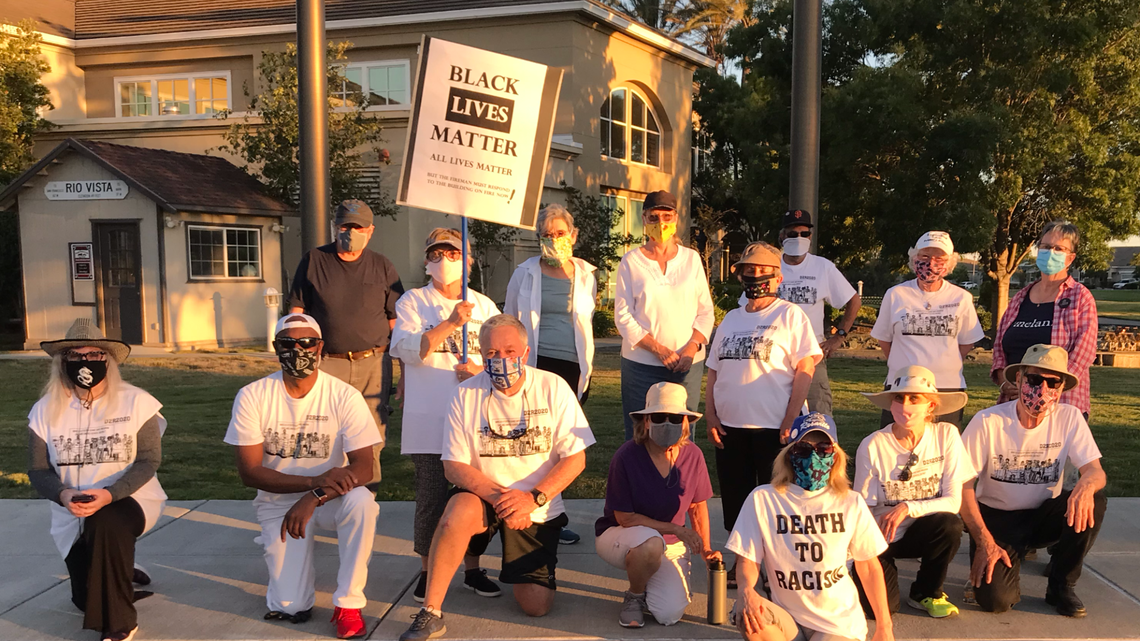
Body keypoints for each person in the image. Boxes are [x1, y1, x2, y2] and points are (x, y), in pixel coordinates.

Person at [399, 315, 596, 641]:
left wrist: (532, 498)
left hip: (536, 503)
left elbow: (575, 458)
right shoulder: (464, 394)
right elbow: (454, 466)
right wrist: (504, 501)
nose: (501, 360)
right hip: (486, 496)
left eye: (510, 351)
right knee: (456, 514)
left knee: (536, 605)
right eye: (491, 353)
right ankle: (431, 611)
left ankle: (522, 567)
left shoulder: (553, 386)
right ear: (481, 353)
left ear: (526, 351)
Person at [223, 314, 381, 639]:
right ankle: (285, 570)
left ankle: (349, 604)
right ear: (275, 347)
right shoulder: (253, 395)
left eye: (307, 342)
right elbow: (249, 472)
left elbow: (365, 468)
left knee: (362, 502)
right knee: (290, 605)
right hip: (279, 499)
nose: (299, 350)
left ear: (320, 347)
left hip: (329, 498)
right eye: (288, 343)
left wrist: (314, 496)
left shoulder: (343, 395)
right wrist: (311, 484)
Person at [27, 318, 167, 641]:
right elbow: (37, 470)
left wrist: (110, 493)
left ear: (107, 360)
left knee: (106, 523)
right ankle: (119, 567)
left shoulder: (136, 402)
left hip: (130, 500)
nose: (85, 362)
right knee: (83, 599)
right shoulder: (44, 411)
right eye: (76, 356)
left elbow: (149, 460)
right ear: (64, 363)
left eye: (93, 355)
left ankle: (120, 625)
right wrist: (63, 495)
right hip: (71, 510)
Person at [390, 228, 502, 602]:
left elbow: (505, 353)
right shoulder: (413, 301)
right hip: (430, 415)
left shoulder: (484, 306)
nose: (445, 261)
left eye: (453, 254)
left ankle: (472, 567)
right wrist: (451, 323)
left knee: (473, 496)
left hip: (474, 418)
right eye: (437, 253)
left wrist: (482, 371)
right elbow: (407, 350)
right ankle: (427, 569)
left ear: (467, 260)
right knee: (432, 495)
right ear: (426, 260)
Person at [960, 344, 1107, 617]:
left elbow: (1096, 471)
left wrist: (1086, 485)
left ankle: (1062, 585)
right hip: (998, 518)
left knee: (1094, 500)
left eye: (1053, 382)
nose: (1043, 389)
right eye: (1034, 379)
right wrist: (983, 541)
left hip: (1043, 514)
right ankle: (998, 569)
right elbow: (962, 484)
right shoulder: (987, 421)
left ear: (1062, 387)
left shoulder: (1070, 418)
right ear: (1018, 379)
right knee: (996, 602)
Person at [707, 241, 822, 588]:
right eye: (749, 270)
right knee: (737, 497)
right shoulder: (730, 318)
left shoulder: (790, 315)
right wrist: (711, 414)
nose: (755, 276)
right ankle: (742, 559)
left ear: (777, 276)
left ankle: (776, 565)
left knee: (778, 497)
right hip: (730, 426)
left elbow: (805, 368)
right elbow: (714, 369)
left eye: (763, 271)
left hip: (774, 426)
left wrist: (790, 418)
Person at [727, 413, 894, 641]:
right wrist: (746, 590)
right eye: (804, 449)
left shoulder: (850, 501)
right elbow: (748, 559)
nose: (814, 456)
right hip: (788, 618)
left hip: (836, 623)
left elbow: (869, 567)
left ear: (835, 456)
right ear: (789, 455)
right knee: (744, 613)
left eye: (824, 448)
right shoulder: (763, 499)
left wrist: (885, 627)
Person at [288, 199, 404, 486]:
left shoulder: (382, 266)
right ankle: (324, 495)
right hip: (327, 362)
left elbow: (396, 320)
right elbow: (297, 312)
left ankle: (365, 499)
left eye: (358, 227)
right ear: (334, 227)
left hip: (373, 364)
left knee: (372, 436)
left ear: (370, 230)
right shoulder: (314, 260)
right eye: (345, 226)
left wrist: (404, 369)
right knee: (324, 432)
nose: (351, 232)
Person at [505, 203, 597, 545]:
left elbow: (584, 324)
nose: (554, 240)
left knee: (563, 445)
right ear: (538, 238)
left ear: (573, 236)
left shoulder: (586, 274)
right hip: (536, 364)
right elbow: (511, 320)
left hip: (573, 369)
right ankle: (528, 511)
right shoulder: (524, 273)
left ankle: (554, 514)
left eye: (560, 234)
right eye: (546, 235)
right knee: (534, 440)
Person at [853, 366, 976, 619]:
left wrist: (908, 507)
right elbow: (861, 508)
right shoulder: (872, 444)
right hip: (881, 537)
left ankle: (927, 591)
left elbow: (954, 501)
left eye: (914, 398)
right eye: (899, 397)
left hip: (922, 530)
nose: (905, 405)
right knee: (880, 611)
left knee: (950, 523)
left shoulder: (947, 435)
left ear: (930, 406)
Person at [595, 382, 720, 628]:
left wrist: (705, 549)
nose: (667, 423)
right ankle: (635, 595)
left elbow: (697, 506)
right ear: (646, 421)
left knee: (669, 614)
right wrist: (675, 529)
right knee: (651, 544)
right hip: (621, 535)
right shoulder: (626, 456)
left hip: (670, 544)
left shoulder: (693, 454)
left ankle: (651, 574)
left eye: (675, 418)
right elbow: (625, 518)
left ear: (685, 422)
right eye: (660, 416)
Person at [615, 190, 715, 440]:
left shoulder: (691, 260)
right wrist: (658, 349)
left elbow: (705, 311)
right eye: (654, 216)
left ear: (676, 218)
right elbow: (623, 316)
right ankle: (639, 479)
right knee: (640, 431)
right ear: (644, 218)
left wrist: (691, 348)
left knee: (682, 431)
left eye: (667, 216)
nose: (661, 223)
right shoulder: (630, 262)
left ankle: (679, 479)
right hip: (641, 364)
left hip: (686, 364)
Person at [870, 231, 984, 427]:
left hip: (946, 388)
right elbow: (884, 339)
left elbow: (966, 343)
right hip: (902, 387)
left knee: (942, 448)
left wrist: (944, 362)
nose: (931, 263)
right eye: (924, 256)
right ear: (914, 258)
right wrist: (903, 364)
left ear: (949, 263)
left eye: (939, 258)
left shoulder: (961, 297)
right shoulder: (896, 294)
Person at [991, 221, 1098, 419]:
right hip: (1014, 407)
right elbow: (1000, 345)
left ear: (1070, 258)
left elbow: (1084, 351)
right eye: (1046, 246)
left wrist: (1048, 388)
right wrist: (1004, 381)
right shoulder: (1020, 297)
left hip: (1060, 405)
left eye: (1059, 248)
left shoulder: (1080, 297)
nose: (1051, 252)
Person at [775, 209, 861, 414]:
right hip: (775, 355)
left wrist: (839, 337)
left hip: (811, 353)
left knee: (818, 415)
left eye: (804, 234)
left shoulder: (822, 267)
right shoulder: (771, 266)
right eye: (792, 234)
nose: (799, 238)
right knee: (775, 415)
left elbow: (853, 300)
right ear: (782, 236)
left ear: (810, 237)